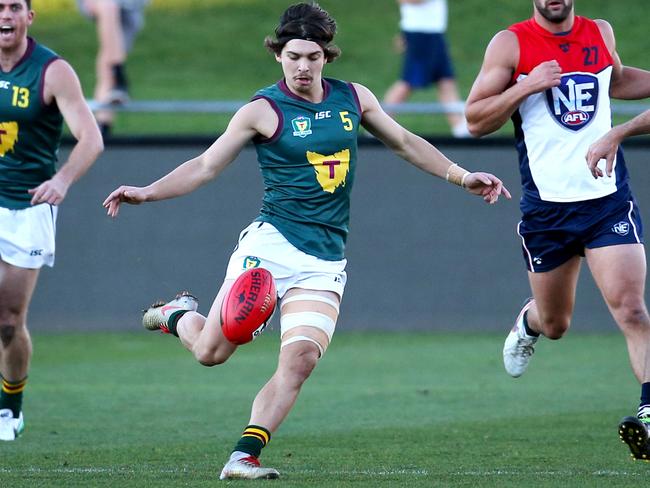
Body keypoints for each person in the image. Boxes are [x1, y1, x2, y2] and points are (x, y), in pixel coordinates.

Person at [103, 2, 510, 480]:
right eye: (293, 55)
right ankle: (176, 314)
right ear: (278, 55)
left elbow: (404, 141)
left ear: (326, 58)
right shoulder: (262, 110)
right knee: (212, 353)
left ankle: (243, 457)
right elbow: (206, 165)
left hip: (325, 260)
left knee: (299, 360)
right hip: (270, 247)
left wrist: (462, 176)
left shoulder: (353, 99)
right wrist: (147, 192)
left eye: (313, 57)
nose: (303, 66)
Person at [465, 0, 650, 461]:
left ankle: (649, 412)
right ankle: (529, 323)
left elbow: (617, 79)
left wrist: (618, 132)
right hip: (548, 211)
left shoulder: (599, 32)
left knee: (631, 309)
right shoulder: (510, 43)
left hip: (607, 201)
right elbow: (474, 120)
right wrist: (525, 86)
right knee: (556, 323)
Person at [0, 0, 104, 441]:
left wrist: (62, 179)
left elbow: (91, 138)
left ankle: (10, 408)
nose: (4, 15)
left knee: (8, 321)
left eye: (13, 7)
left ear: (29, 16)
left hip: (28, 206)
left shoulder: (52, 70)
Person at [383, 0, 470, 137]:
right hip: (421, 32)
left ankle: (460, 128)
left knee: (445, 80)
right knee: (408, 82)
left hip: (433, 32)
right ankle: (380, 124)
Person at [76, 0, 149, 137]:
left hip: (130, 9)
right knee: (108, 5)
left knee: (107, 59)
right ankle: (119, 77)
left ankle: (103, 126)